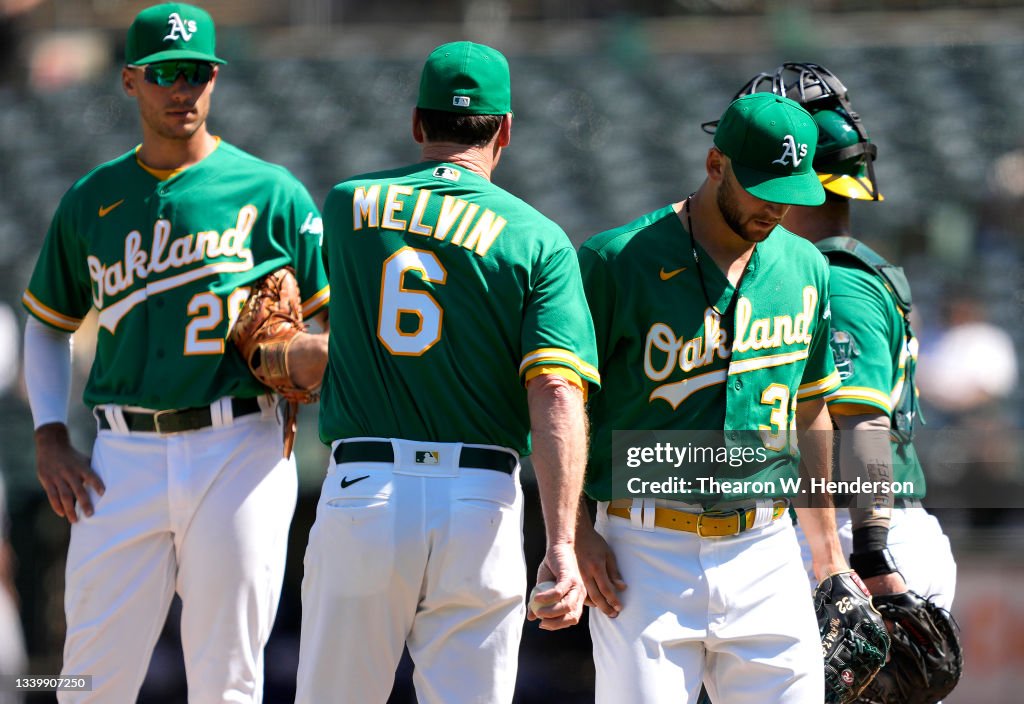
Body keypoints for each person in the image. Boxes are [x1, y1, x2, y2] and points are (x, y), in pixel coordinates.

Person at [21, 4, 329, 701]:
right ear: (130, 81)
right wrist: (47, 432)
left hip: (240, 445)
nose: (181, 89)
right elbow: (46, 323)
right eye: (164, 74)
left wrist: (305, 355)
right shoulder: (92, 199)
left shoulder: (271, 193)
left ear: (214, 78)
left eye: (195, 73)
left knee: (228, 677)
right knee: (86, 679)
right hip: (121, 455)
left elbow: (331, 328)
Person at [294, 41, 600, 704]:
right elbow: (553, 389)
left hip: (365, 490)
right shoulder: (538, 237)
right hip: (480, 501)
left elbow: (322, 333)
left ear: (417, 123)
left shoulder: (348, 206)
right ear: (506, 130)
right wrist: (562, 544)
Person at [576, 92, 851, 704]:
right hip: (642, 551)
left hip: (767, 546)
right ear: (715, 164)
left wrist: (828, 552)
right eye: (762, 186)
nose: (778, 205)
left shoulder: (806, 264)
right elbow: (559, 405)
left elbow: (811, 408)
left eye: (791, 189)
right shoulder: (616, 259)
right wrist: (572, 531)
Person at [735, 62, 958, 612]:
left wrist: (873, 556)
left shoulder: (835, 280)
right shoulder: (824, 268)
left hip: (858, 535)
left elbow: (862, 422)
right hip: (842, 528)